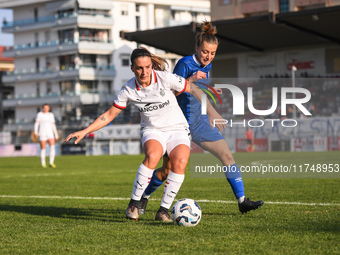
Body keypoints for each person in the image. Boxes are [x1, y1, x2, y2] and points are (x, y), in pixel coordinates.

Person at [64, 47, 218, 221]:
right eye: (139, 68)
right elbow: (108, 115)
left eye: (147, 67)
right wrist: (85, 131)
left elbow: (194, 89)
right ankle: (134, 204)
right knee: (153, 156)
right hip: (153, 129)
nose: (144, 72)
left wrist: (212, 112)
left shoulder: (165, 78)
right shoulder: (128, 89)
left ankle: (163, 211)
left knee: (180, 163)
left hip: (177, 128)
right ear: (132, 68)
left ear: (151, 65)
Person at [139, 21, 264, 216]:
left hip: (198, 122)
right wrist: (192, 80)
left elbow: (198, 91)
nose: (208, 56)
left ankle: (242, 201)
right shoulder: (183, 64)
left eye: (212, 53)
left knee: (227, 156)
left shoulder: (208, 64)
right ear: (197, 48)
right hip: (176, 123)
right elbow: (172, 91)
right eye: (205, 51)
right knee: (166, 170)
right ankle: (144, 198)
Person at [34, 104, 59, 168]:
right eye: (44, 107)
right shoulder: (40, 114)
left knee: (52, 147)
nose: (46, 109)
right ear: (42, 108)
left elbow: (53, 125)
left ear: (49, 108)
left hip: (50, 133)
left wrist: (56, 134)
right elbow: (36, 124)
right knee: (43, 148)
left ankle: (51, 162)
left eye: (47, 107)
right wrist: (35, 132)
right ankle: (43, 163)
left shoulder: (51, 115)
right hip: (42, 133)